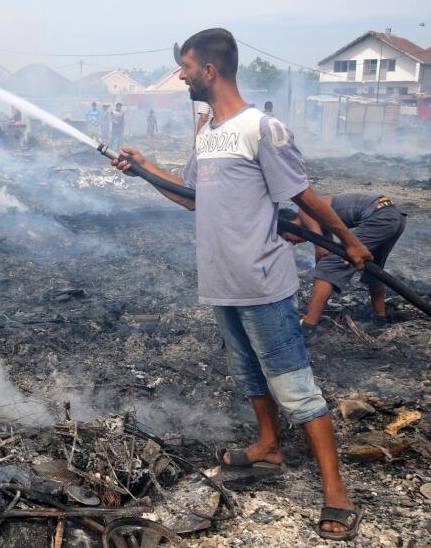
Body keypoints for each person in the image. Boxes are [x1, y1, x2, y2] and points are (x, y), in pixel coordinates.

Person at [111, 28, 371, 541]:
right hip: (221, 280)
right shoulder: (208, 133)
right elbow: (191, 197)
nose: (181, 76)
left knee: (295, 388)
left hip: (261, 279)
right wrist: (143, 170)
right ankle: (269, 447)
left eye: (187, 68)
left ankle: (337, 494)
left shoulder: (262, 128)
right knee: (249, 375)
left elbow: (302, 195)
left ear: (209, 70)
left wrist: (349, 242)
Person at [280, 193, 406, 338]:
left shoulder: (305, 211)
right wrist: (320, 276)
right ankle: (380, 321)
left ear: (290, 225)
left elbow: (322, 252)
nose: (293, 243)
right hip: (395, 217)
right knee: (373, 269)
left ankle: (308, 327)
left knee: (330, 265)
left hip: (380, 217)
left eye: (288, 238)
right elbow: (325, 252)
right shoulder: (317, 219)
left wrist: (322, 274)